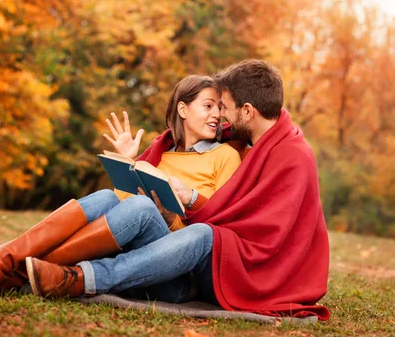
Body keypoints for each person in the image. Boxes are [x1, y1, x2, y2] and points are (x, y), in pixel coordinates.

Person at [25, 59, 330, 320]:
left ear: (248, 111)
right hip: (197, 258)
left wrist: (189, 199)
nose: (221, 116)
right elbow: (237, 208)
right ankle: (22, 261)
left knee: (204, 234)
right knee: (117, 200)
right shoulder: (254, 143)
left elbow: (266, 230)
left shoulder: (292, 154)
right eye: (213, 107)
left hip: (245, 271)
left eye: (224, 108)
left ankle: (81, 278)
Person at [0, 75, 241, 293]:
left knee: (143, 208)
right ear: (183, 109)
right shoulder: (159, 156)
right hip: (137, 253)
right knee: (106, 198)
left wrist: (172, 215)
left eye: (219, 108)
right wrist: (128, 161)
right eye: (208, 106)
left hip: (178, 272)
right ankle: (8, 260)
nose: (217, 115)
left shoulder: (225, 156)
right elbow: (120, 213)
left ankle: (20, 270)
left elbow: (221, 227)